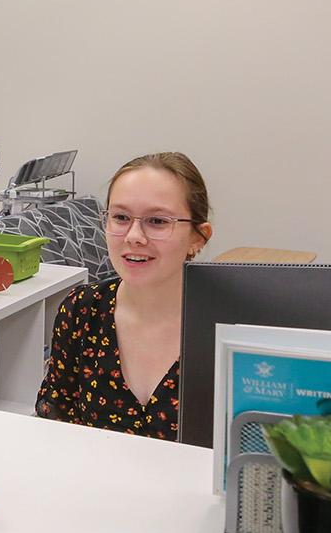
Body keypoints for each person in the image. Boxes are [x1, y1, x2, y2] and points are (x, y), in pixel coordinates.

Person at [35, 152, 213, 440]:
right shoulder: (81, 310)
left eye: (157, 221)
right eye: (120, 217)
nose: (134, 236)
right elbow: (54, 418)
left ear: (198, 237)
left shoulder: (228, 327)